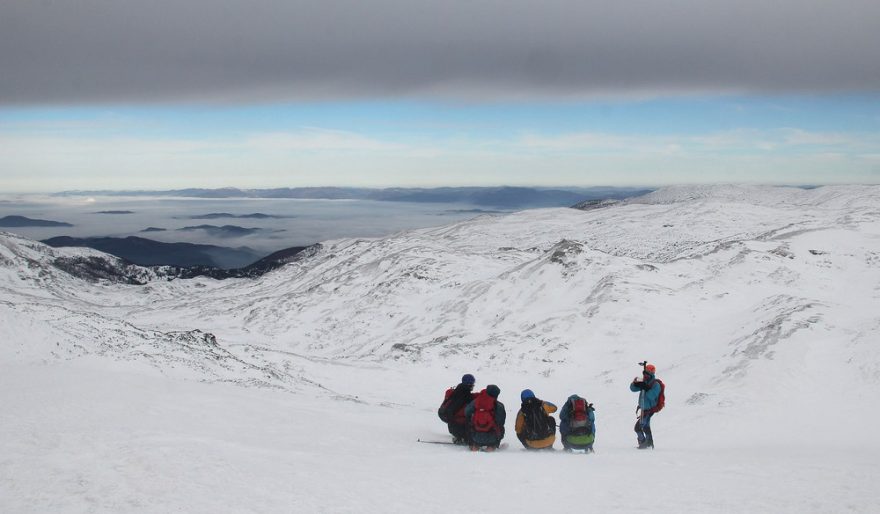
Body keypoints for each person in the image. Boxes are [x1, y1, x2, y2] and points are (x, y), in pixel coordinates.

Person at [438, 374, 478, 444]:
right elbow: (469, 399)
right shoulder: (464, 394)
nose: (473, 385)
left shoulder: (459, 391)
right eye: (472, 383)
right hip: (455, 424)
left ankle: (459, 435)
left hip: (448, 419)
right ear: (469, 384)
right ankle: (461, 436)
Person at [630, 363, 662, 449]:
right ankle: (649, 444)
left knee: (638, 427)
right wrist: (635, 383)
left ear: (651, 374)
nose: (645, 375)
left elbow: (652, 396)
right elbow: (632, 389)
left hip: (649, 410)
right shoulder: (645, 382)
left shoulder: (655, 385)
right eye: (645, 373)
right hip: (644, 409)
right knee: (645, 426)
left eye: (647, 373)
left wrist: (646, 388)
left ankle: (644, 443)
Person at [464, 384, 506, 451]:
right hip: (491, 437)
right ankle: (492, 446)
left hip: (475, 436)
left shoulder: (476, 402)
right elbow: (501, 422)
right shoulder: (498, 405)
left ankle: (474, 445)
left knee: (469, 424)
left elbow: (466, 412)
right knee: (501, 428)